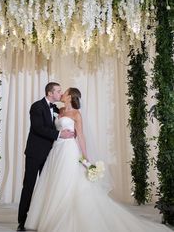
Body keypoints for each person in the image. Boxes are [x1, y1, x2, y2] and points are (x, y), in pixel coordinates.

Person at [25, 87, 172, 232]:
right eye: (60, 91)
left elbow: (81, 137)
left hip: (69, 150)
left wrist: (85, 158)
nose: (62, 94)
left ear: (70, 97)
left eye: (65, 92)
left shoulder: (76, 114)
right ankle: (48, 216)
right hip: (56, 150)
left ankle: (64, 219)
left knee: (68, 181)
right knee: (54, 182)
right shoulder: (60, 110)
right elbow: (47, 127)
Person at [17, 82, 74, 231]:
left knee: (46, 187)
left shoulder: (57, 109)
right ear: (50, 93)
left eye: (61, 91)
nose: (60, 94)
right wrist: (60, 134)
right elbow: (38, 128)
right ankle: (22, 221)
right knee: (29, 186)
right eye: (58, 91)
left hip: (51, 154)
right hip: (35, 153)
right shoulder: (37, 106)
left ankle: (40, 220)